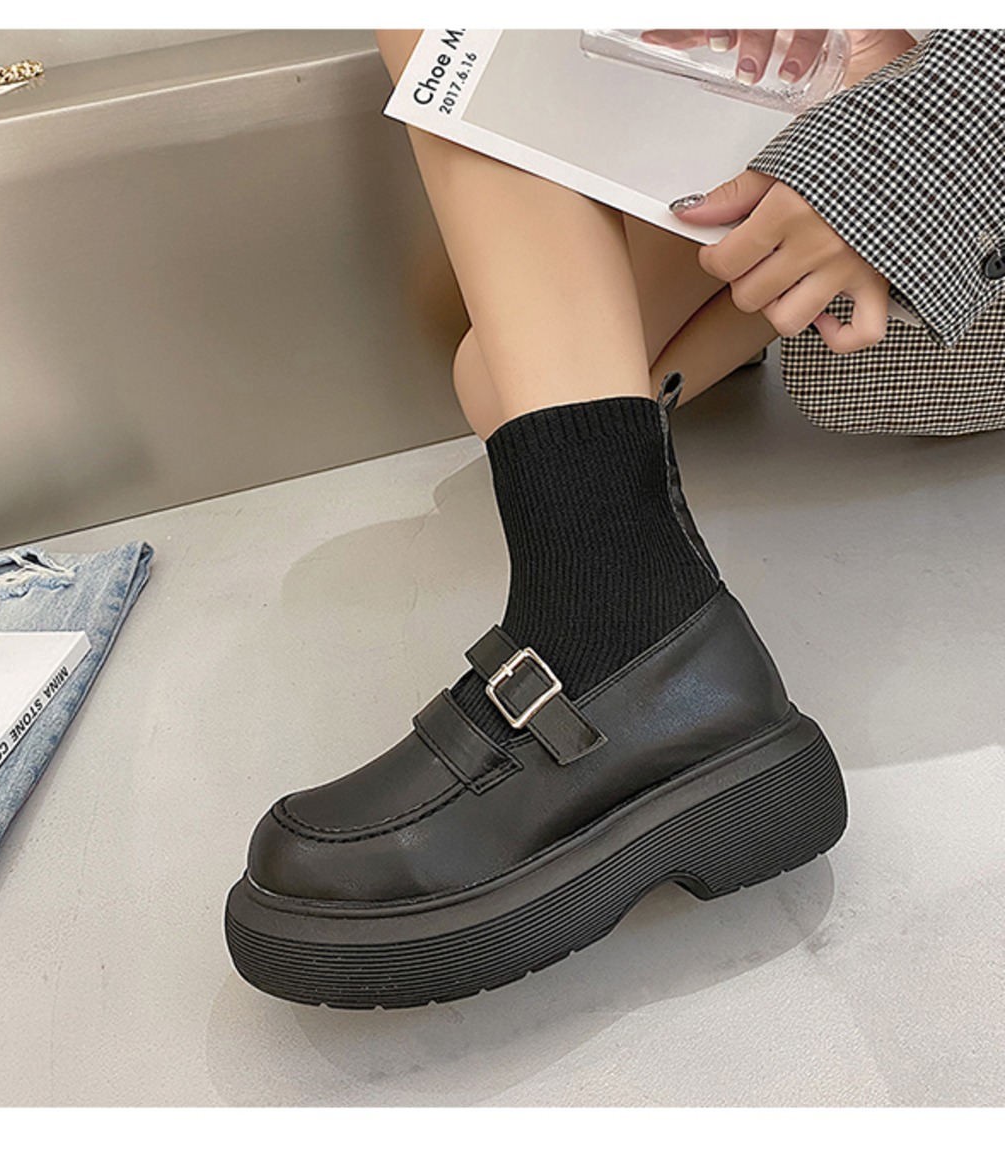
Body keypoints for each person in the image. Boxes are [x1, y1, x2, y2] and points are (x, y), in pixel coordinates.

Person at [223, 29, 1005, 1008]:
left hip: (961, 157)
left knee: (522, 375)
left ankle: (622, 623)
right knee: (493, 373)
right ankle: (651, 633)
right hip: (847, 95)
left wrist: (919, 131)